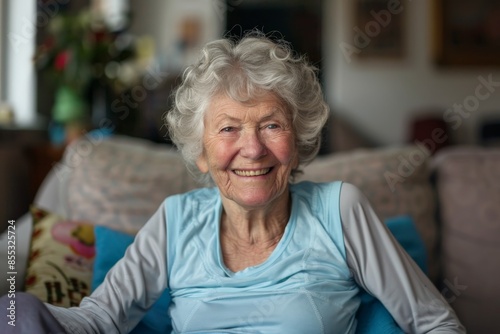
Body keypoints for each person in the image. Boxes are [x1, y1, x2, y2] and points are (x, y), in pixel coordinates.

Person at [0, 33, 465, 333]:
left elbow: (436, 322)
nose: (253, 148)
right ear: (200, 153)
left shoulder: (339, 211)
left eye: (271, 125)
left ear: (299, 142)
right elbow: (99, 320)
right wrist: (19, 317)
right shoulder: (176, 221)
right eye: (228, 129)